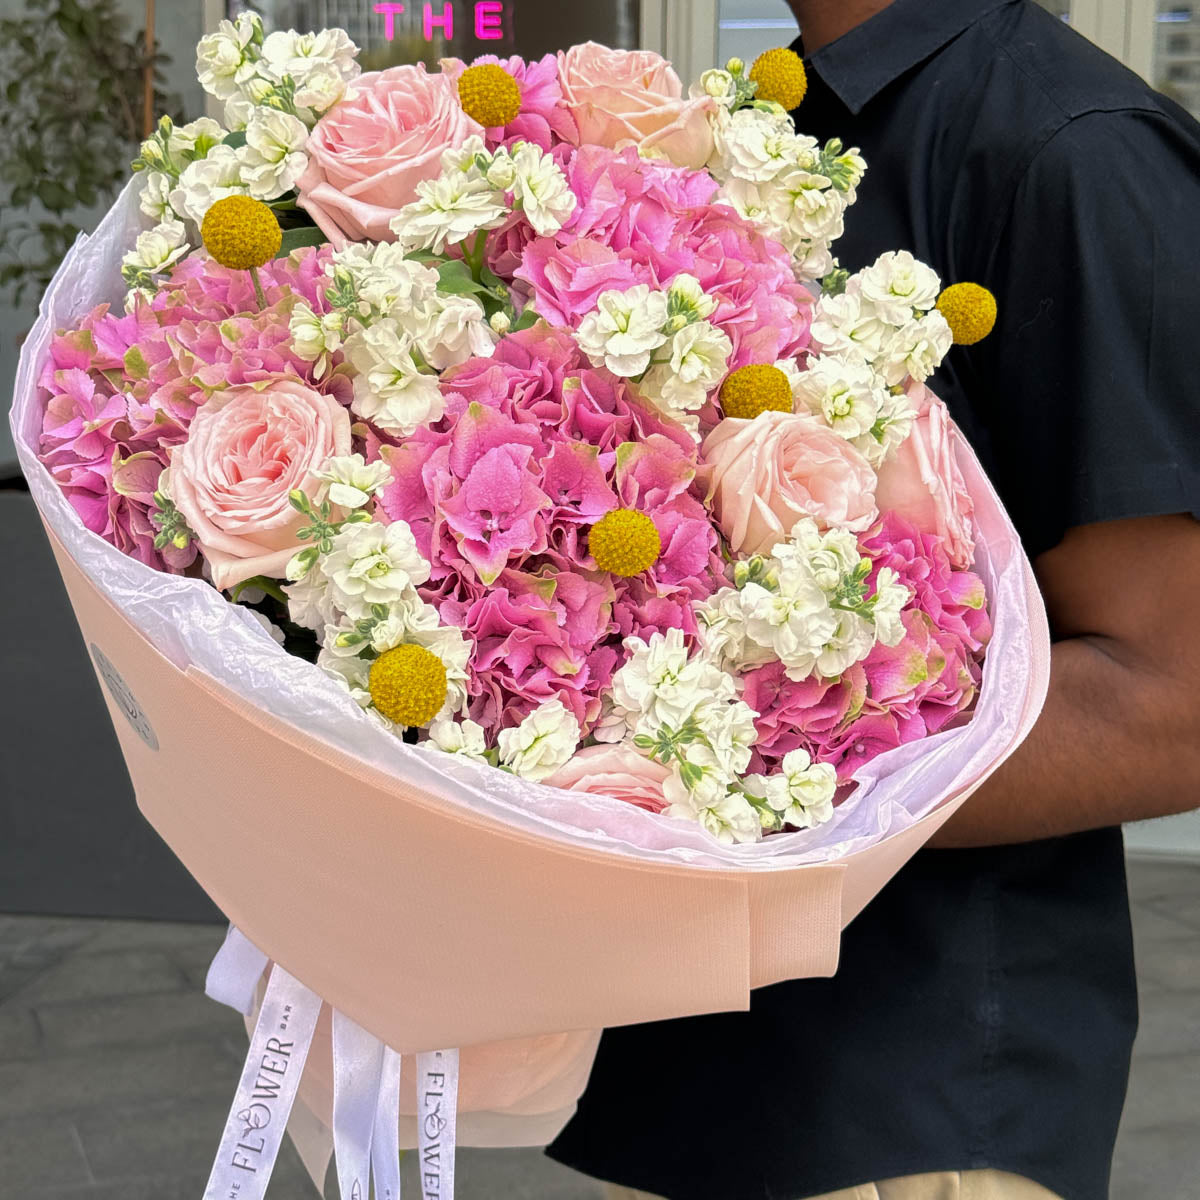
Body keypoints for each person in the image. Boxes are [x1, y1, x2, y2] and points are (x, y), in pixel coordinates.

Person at [546, 1, 1200, 1198]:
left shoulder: (1071, 148)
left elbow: (1176, 707)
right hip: (730, 1071)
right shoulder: (791, 115)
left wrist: (712, 766)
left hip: (914, 1110)